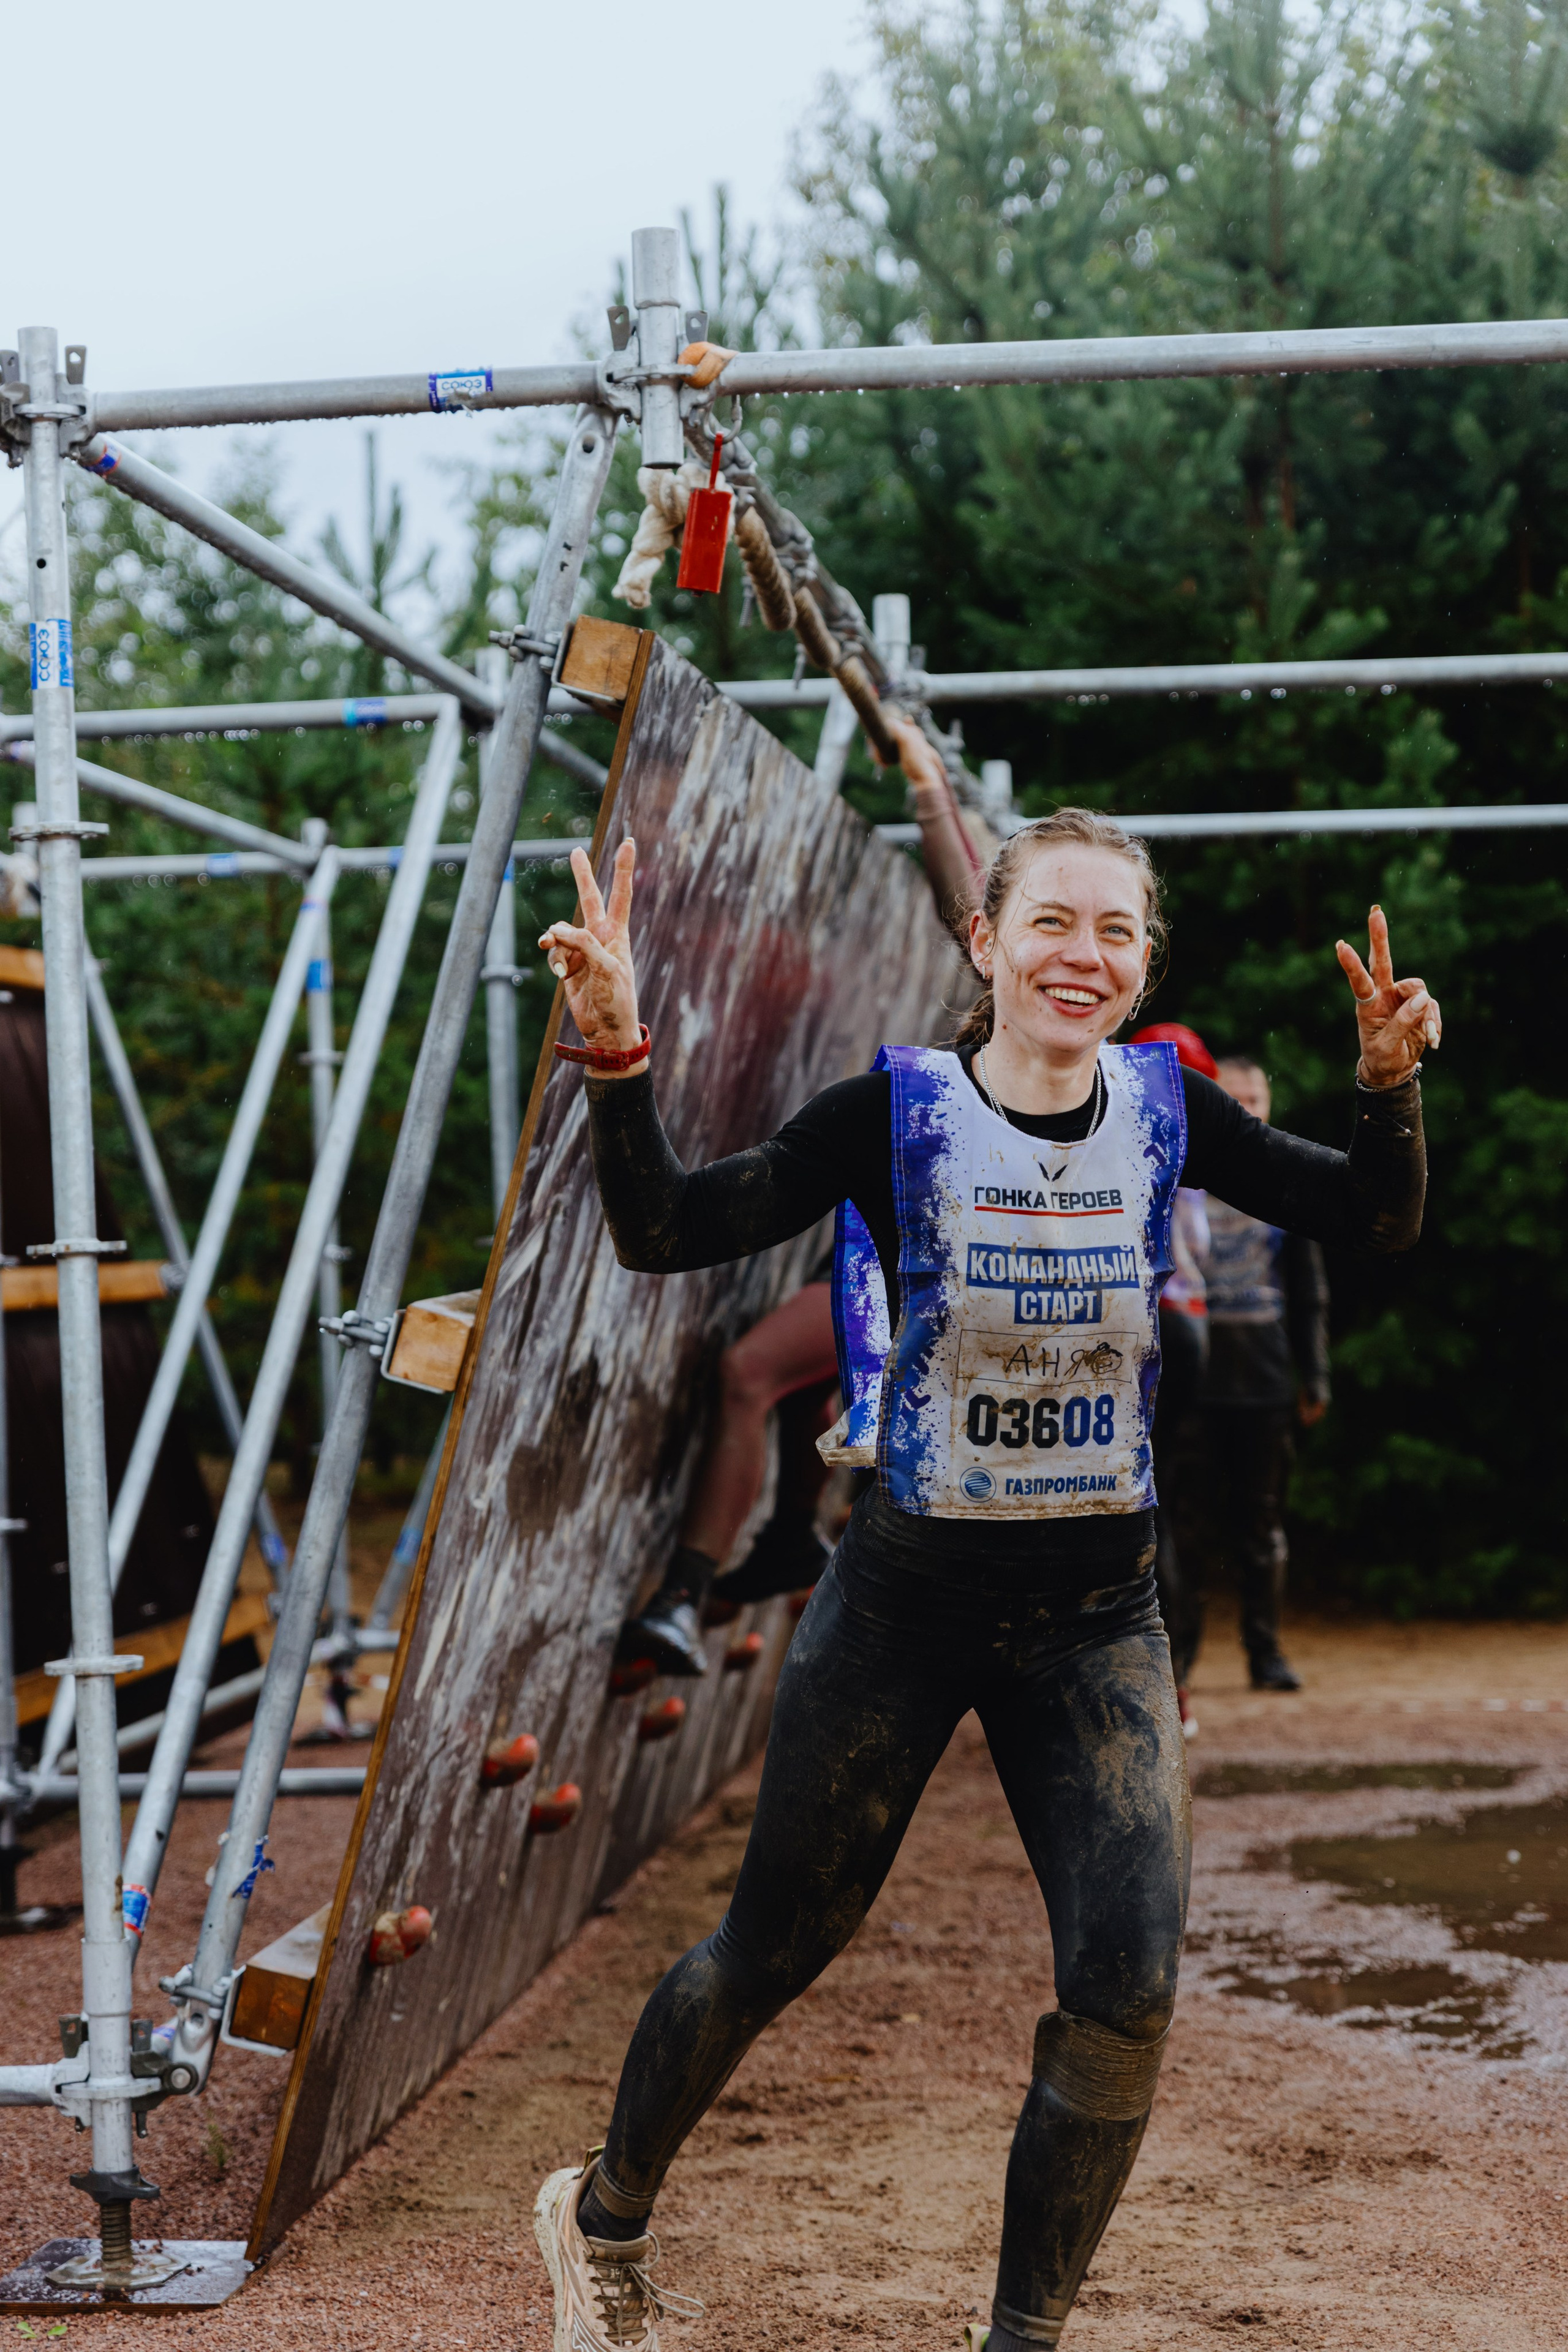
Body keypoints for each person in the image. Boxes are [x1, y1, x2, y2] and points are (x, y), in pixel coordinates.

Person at [530, 731, 1432, 2352]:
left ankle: (1021, 2337)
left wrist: (1389, 1088)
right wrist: (614, 1059)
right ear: (988, 941)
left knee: (1129, 1986)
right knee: (772, 1949)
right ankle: (602, 2215)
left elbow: (1372, 1215)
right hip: (904, 1607)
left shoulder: (1171, 1107)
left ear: (1144, 963)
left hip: (1098, 1615)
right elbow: (671, 1227)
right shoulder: (897, 1112)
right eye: (1054, 923)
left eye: (1117, 933)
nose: (1085, 957)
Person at [621, 720, 993, 1676]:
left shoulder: (1022, 1007)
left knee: (750, 1372)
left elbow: (970, 904)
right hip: (891, 1238)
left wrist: (924, 786)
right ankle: (789, 1534)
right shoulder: (992, 1046)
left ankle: (682, 1595)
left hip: (930, 1262)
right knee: (791, 1388)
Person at [1192, 1054, 1332, 1693]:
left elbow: (1308, 1291)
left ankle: (1265, 1654)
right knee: (1183, 1526)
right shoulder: (1183, 1177)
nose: (1248, 1108)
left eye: (1257, 1098)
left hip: (1267, 1379)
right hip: (1190, 1380)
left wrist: (1316, 1375)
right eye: (1235, 1097)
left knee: (1261, 1524)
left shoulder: (1285, 1184)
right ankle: (1176, 1662)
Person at [1127, 1022, 1219, 1737]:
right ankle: (1172, 1683)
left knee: (1140, 1508)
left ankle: (1164, 1685)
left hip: (1148, 1329)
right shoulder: (1195, 1149)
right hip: (1184, 1328)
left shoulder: (1131, 1137)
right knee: (1162, 1505)